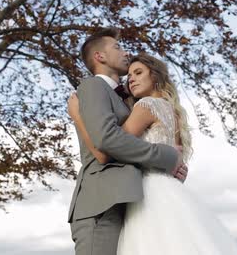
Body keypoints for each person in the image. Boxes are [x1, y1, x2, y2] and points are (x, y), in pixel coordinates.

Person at [68, 53, 237, 255]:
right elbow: (176, 160)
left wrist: (78, 116)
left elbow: (111, 145)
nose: (132, 79)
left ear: (155, 76)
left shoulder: (145, 106)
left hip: (149, 193)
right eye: (129, 76)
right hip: (171, 192)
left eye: (138, 72)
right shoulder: (175, 112)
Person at [67, 29, 188, 255]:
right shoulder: (94, 86)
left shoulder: (128, 102)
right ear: (100, 57)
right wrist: (167, 157)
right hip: (100, 202)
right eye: (117, 48)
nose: (125, 52)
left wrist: (174, 168)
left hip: (127, 201)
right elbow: (106, 143)